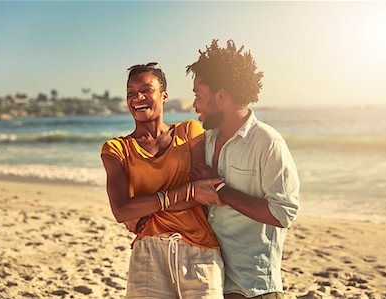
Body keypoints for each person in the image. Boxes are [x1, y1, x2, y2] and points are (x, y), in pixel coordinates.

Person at [186, 40, 300, 299]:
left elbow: (284, 213)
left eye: (198, 95)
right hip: (212, 282)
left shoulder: (267, 142)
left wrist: (221, 189)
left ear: (221, 96)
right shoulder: (206, 141)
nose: (195, 105)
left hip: (254, 287)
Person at [101, 62, 224, 299]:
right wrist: (187, 190)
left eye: (146, 90)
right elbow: (121, 210)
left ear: (164, 95)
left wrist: (146, 205)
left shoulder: (190, 131)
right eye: (131, 93)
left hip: (199, 252)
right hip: (148, 255)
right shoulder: (116, 149)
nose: (138, 97)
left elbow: (203, 193)